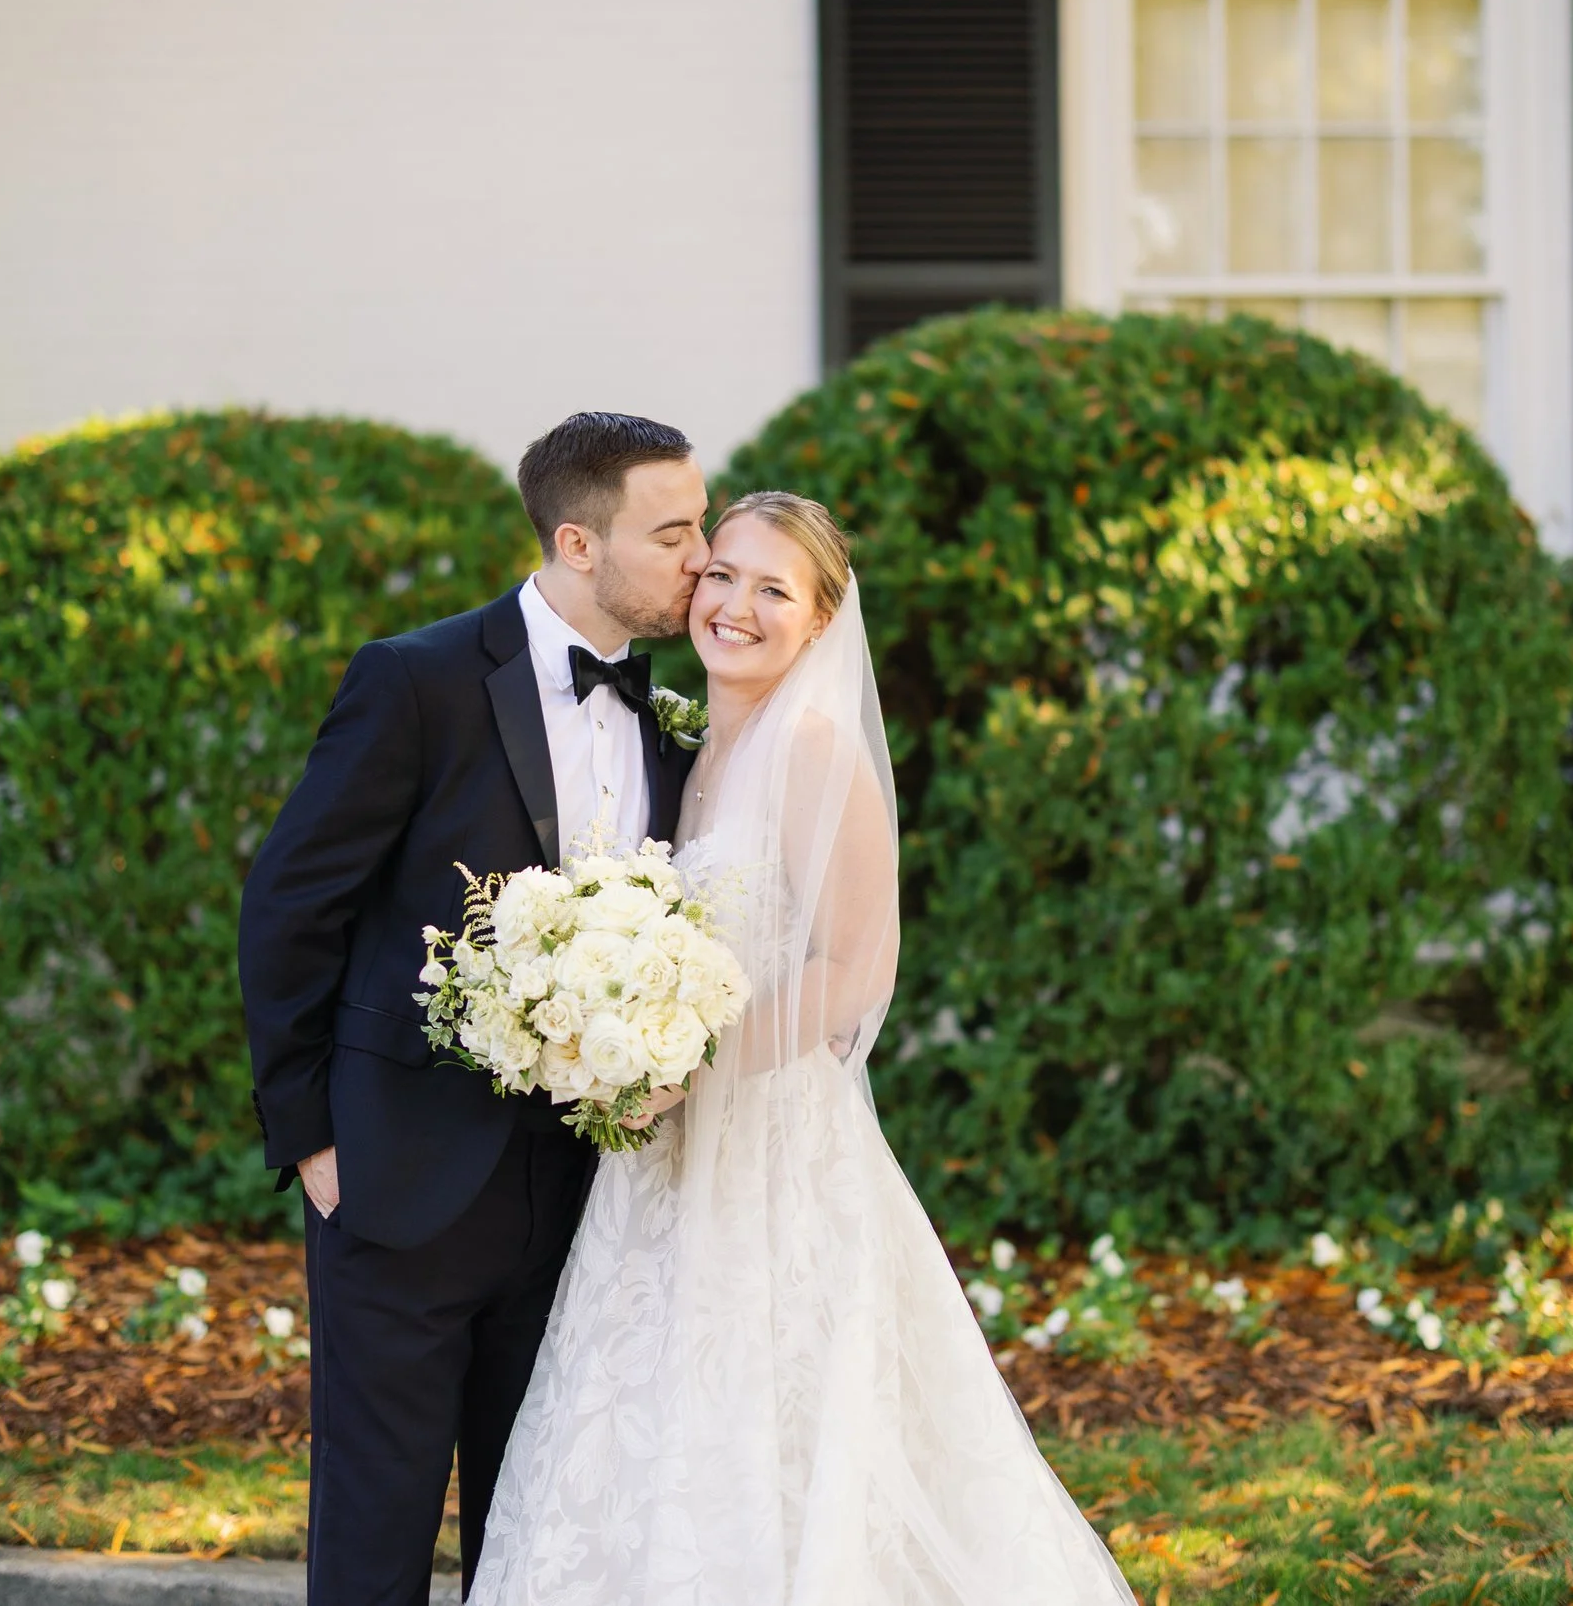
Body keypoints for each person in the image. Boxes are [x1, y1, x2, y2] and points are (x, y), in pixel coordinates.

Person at [469, 492, 1140, 1604]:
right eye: (721, 572)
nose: (734, 604)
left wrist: (686, 1059)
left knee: (777, 1430)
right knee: (646, 1417)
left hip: (770, 1155)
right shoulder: (687, 742)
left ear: (822, 622)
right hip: (664, 1162)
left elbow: (850, 969)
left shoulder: (815, 748)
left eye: (773, 589)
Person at [238, 411, 711, 1604]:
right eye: (674, 531)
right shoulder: (418, 679)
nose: (701, 554)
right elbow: (292, 904)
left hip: (587, 1193)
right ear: (578, 542)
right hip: (399, 1171)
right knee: (377, 1515)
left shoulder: (668, 719)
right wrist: (306, 1132)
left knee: (538, 1514)